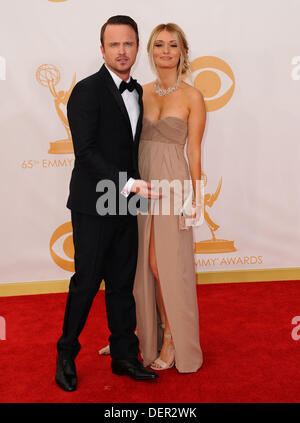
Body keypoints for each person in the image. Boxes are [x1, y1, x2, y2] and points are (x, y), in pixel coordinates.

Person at [55, 15, 161, 392]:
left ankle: (124, 356)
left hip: (127, 200)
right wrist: (129, 183)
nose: (122, 50)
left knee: (121, 282)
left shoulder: (139, 92)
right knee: (86, 282)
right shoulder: (86, 91)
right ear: (102, 50)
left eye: (128, 44)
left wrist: (133, 186)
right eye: (114, 44)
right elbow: (85, 153)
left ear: (137, 48)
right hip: (95, 200)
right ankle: (66, 353)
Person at [100, 23, 206, 373]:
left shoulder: (192, 97)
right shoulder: (139, 92)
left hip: (173, 184)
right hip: (140, 182)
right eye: (158, 45)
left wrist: (197, 199)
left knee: (165, 266)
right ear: (150, 51)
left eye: (172, 45)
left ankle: (172, 339)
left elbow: (194, 150)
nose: (165, 51)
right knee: (137, 264)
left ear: (182, 51)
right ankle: (137, 337)